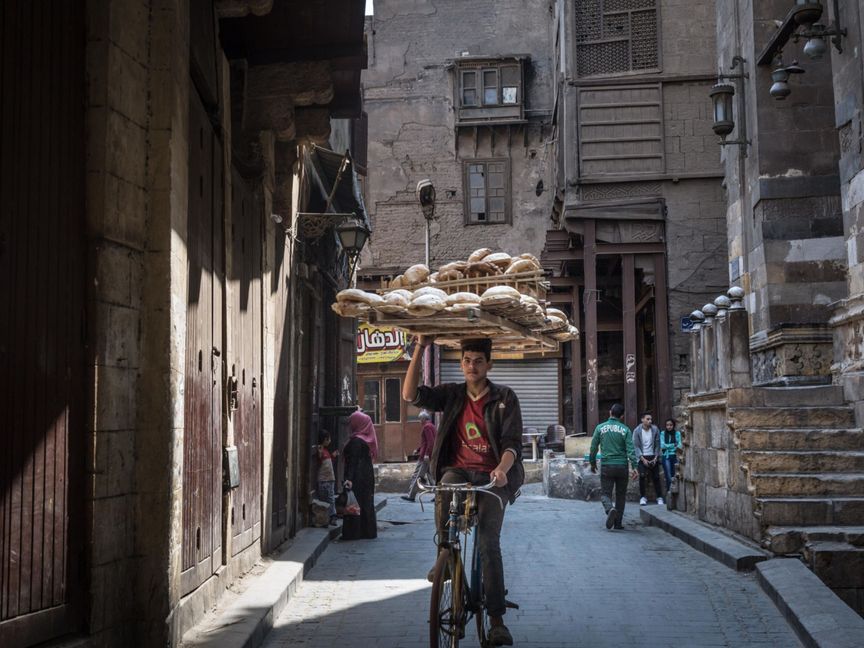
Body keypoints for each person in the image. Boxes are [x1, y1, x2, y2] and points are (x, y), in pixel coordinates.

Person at [403, 336, 523, 647]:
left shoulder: (504, 398)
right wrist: (420, 347)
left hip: (493, 477)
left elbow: (511, 445)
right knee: (445, 497)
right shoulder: (452, 394)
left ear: (489, 364)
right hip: (456, 469)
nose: (472, 366)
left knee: (487, 543)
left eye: (479, 361)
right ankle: (445, 555)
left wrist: (501, 470)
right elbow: (409, 394)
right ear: (461, 364)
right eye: (467, 360)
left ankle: (496, 620)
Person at [589, 404, 639, 530]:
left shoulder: (600, 428)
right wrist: (635, 467)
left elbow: (593, 447)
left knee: (605, 494)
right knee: (621, 495)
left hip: (607, 466)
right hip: (622, 466)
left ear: (610, 412)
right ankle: (618, 523)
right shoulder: (626, 429)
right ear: (622, 416)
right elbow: (631, 450)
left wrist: (592, 463)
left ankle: (609, 508)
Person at [341, 410, 378, 540]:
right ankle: (367, 532)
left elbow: (353, 461)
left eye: (352, 422)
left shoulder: (357, 441)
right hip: (366, 477)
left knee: (354, 504)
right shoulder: (366, 440)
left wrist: (349, 479)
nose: (350, 425)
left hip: (358, 477)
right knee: (366, 504)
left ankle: (354, 533)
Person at [401, 410, 437, 502]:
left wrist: (426, 454)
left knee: (417, 476)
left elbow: (430, 442)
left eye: (420, 419)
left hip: (425, 457)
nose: (419, 421)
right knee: (431, 477)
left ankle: (411, 495)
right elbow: (427, 442)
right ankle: (438, 495)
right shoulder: (432, 426)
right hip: (428, 455)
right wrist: (418, 449)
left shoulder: (427, 427)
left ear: (424, 418)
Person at [633, 412, 664, 506]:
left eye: (651, 419)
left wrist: (655, 457)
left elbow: (658, 445)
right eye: (648, 419)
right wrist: (643, 459)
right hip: (642, 456)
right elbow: (636, 446)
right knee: (642, 476)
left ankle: (659, 497)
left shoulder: (655, 429)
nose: (650, 421)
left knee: (656, 477)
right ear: (642, 419)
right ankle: (643, 497)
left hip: (653, 456)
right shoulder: (637, 430)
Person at [315, 430, 339, 526]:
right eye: (328, 439)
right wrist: (320, 453)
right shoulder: (320, 450)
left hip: (329, 479)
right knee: (325, 498)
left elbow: (327, 461)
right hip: (323, 479)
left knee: (330, 498)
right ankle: (327, 517)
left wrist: (333, 456)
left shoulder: (326, 451)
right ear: (324, 440)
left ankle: (332, 516)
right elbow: (319, 460)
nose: (330, 441)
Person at [661, 418, 682, 491]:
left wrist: (668, 446)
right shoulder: (663, 433)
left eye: (671, 425)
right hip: (666, 456)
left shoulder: (677, 433)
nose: (669, 427)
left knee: (675, 475)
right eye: (667, 425)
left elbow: (679, 445)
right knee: (668, 475)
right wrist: (673, 445)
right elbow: (662, 445)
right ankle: (669, 493)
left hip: (675, 456)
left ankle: (676, 493)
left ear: (673, 425)